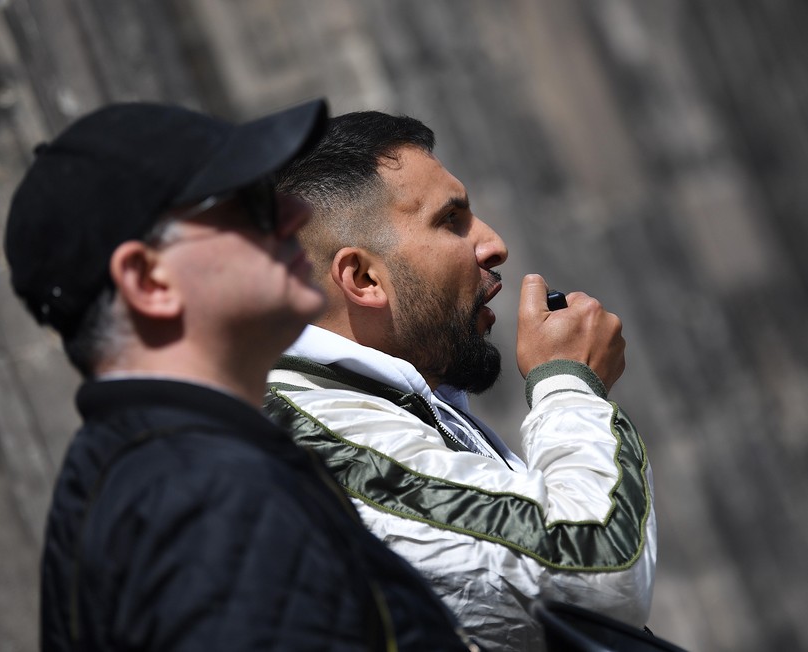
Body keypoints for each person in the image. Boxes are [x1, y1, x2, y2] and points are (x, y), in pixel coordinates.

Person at [4, 100, 478, 651]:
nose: (293, 216)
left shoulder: (175, 463)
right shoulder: (204, 496)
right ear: (149, 280)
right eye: (249, 203)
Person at [264, 111, 657, 652]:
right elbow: (596, 569)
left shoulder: (392, 396)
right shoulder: (311, 436)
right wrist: (568, 383)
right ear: (363, 278)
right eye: (451, 221)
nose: (494, 245)